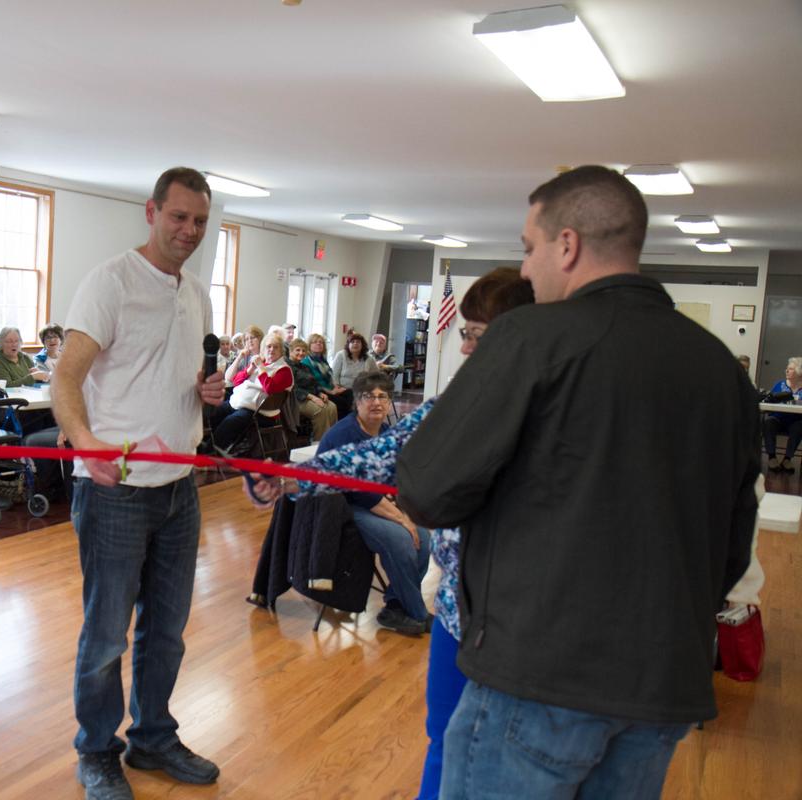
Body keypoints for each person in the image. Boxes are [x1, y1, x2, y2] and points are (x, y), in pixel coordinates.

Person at [397, 166, 758, 798]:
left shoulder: (531, 338)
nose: (527, 270)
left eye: (529, 249)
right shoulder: (719, 368)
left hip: (540, 676)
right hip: (662, 686)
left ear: (567, 246)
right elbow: (732, 541)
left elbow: (427, 489)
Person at [244, 267, 536, 799]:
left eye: (477, 335)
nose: (466, 348)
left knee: (510, 755)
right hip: (456, 606)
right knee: (444, 736)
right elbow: (378, 455)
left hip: (526, 620)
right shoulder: (458, 403)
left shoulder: (558, 413)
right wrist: (293, 480)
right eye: (464, 333)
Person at [53, 166, 225, 800]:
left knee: (168, 630)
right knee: (106, 633)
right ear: (151, 212)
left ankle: (153, 736)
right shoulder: (110, 282)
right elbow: (66, 379)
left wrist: (206, 391)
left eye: (200, 221)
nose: (189, 230)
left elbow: (181, 379)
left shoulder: (196, 293)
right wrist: (84, 440)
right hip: (115, 489)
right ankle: (97, 750)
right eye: (178, 217)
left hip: (180, 486)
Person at [319, 371, 429, 634]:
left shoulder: (386, 432)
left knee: (424, 540)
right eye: (369, 396)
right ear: (357, 402)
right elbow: (361, 494)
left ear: (390, 402)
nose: (376, 402)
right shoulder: (345, 435)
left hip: (374, 502)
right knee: (403, 540)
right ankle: (418, 614)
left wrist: (410, 514)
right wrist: (402, 518)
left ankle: (395, 606)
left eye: (382, 396)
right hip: (339, 508)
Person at [209, 333, 294, 452]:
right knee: (212, 413)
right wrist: (250, 370)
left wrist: (260, 368)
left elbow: (269, 388)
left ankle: (209, 452)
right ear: (263, 349)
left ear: (281, 351)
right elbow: (236, 381)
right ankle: (204, 446)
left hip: (259, 412)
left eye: (276, 347)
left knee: (230, 423)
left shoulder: (284, 370)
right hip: (238, 403)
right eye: (268, 347)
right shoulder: (261, 363)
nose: (271, 350)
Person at [287, 337, 337, 441]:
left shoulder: (304, 366)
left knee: (332, 407)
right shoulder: (287, 367)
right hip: (295, 400)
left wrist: (320, 393)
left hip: (310, 397)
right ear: (291, 351)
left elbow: (314, 383)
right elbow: (292, 389)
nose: (301, 353)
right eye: (298, 350)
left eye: (304, 350)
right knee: (320, 410)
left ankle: (331, 441)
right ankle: (318, 443)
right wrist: (313, 398)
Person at [763, 356, 802, 472]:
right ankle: (772, 457)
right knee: (768, 422)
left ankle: (787, 459)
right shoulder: (779, 385)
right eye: (787, 368)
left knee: (799, 427)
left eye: (790, 369)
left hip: (796, 421)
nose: (786, 371)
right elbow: (769, 401)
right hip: (778, 418)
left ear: (799, 372)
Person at [330, 332, 377, 413]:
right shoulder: (341, 355)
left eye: (358, 342)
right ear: (348, 344)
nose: (355, 344)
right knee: (350, 397)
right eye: (352, 342)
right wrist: (337, 387)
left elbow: (376, 376)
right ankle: (352, 421)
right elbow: (334, 375)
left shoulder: (369, 359)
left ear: (362, 345)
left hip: (362, 390)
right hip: (343, 389)